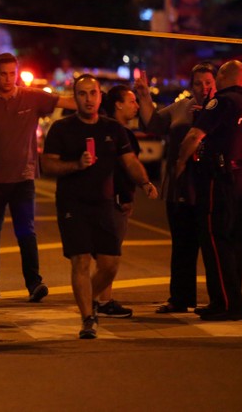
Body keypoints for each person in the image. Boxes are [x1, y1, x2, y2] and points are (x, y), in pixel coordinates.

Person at [41, 74, 157, 339]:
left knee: (110, 264)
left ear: (100, 96)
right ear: (75, 97)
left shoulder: (113, 129)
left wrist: (145, 182)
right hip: (72, 204)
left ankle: (88, 298)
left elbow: (129, 161)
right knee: (80, 261)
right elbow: (47, 165)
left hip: (104, 204)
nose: (88, 99)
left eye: (92, 93)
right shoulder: (61, 128)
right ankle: (87, 318)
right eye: (82, 94)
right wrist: (76, 166)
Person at [0, 53, 76, 301]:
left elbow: (67, 102)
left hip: (24, 177)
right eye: (3, 74)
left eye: (12, 73)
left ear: (16, 73)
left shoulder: (32, 97)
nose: (8, 78)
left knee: (26, 229)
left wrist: (91, 95)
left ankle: (34, 283)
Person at [176, 60, 242, 322]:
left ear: (223, 77)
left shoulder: (221, 102)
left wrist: (179, 165)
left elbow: (193, 137)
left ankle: (227, 304)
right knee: (235, 242)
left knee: (215, 238)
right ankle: (226, 300)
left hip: (220, 178)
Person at [135, 63, 216, 313]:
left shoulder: (223, 107)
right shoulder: (181, 107)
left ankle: (220, 301)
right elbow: (153, 123)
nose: (203, 88)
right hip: (179, 187)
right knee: (182, 245)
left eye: (208, 83)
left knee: (213, 248)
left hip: (210, 188)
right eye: (198, 83)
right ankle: (181, 298)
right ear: (191, 86)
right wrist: (144, 94)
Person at [95, 85, 141, 318]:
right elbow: (123, 170)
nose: (137, 106)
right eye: (132, 101)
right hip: (112, 201)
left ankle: (102, 299)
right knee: (109, 254)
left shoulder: (105, 129)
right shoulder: (118, 132)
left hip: (105, 199)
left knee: (105, 252)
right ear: (118, 104)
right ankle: (101, 301)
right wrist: (126, 196)